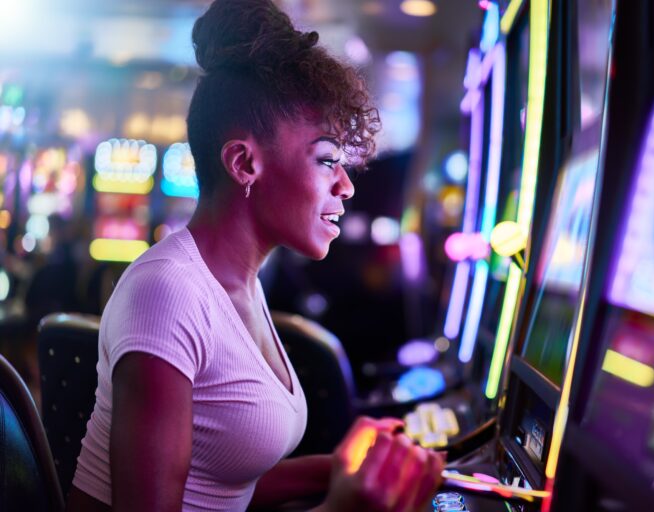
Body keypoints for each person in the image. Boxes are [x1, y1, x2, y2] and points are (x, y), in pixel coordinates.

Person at [66, 0, 445, 510]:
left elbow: (220, 486)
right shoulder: (168, 292)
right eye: (327, 160)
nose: (347, 186)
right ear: (244, 163)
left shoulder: (241, 281)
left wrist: (343, 467)